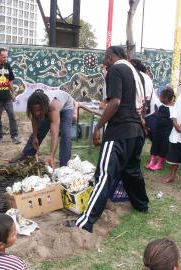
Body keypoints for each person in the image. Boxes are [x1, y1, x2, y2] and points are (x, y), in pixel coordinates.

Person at [73, 46, 149, 233]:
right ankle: (142, 205)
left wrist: (98, 126)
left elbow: (115, 102)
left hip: (119, 132)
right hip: (136, 132)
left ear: (111, 57)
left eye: (105, 59)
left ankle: (86, 222)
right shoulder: (136, 73)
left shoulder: (116, 69)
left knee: (104, 176)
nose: (104, 63)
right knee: (131, 171)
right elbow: (142, 105)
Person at [9, 89, 74, 168]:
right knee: (40, 128)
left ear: (44, 107)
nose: (37, 113)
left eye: (39, 110)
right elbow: (35, 119)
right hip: (48, 108)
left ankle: (64, 165)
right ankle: (27, 153)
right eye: (34, 111)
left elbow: (54, 133)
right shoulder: (34, 104)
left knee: (66, 134)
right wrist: (35, 137)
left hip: (66, 106)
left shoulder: (52, 107)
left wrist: (51, 155)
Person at [146, 87, 175, 171]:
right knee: (154, 145)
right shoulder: (161, 105)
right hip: (157, 131)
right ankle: (152, 161)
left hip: (166, 133)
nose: (159, 98)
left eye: (161, 96)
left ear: (166, 98)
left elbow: (174, 120)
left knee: (163, 147)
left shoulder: (172, 109)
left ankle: (159, 163)